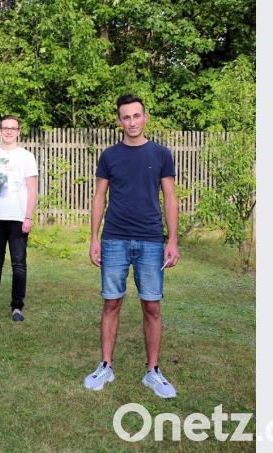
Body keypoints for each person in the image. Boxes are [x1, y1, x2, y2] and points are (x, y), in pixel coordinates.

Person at [83, 94, 181, 399]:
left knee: (151, 305)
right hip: (114, 238)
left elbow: (170, 198)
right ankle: (105, 365)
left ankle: (152, 371)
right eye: (126, 117)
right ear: (119, 121)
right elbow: (99, 197)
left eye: (136, 116)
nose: (132, 122)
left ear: (145, 117)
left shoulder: (161, 154)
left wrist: (173, 240)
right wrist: (94, 237)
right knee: (111, 302)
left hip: (151, 240)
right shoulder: (109, 156)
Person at [0, 115, 38, 322]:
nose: (9, 131)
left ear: (19, 131)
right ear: (0, 131)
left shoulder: (26, 157)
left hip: (18, 218)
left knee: (19, 263)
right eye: (5, 128)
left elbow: (32, 190)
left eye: (13, 128)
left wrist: (28, 217)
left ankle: (17, 307)